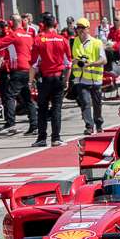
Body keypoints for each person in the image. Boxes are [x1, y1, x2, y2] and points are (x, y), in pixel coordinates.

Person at [29, 12, 71, 147]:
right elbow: (69, 64)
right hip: (58, 78)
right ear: (55, 24)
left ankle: (41, 138)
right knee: (56, 108)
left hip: (44, 80)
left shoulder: (38, 40)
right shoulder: (63, 40)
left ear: (42, 25)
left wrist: (30, 82)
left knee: (41, 109)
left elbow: (33, 65)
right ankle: (56, 138)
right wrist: (67, 80)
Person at [0, 16, 38, 136]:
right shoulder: (29, 35)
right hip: (28, 69)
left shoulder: (13, 35)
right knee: (27, 98)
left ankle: (10, 122)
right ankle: (34, 125)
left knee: (9, 95)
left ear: (12, 23)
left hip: (17, 70)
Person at [71, 17, 105, 135]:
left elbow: (103, 60)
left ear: (88, 29)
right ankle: (89, 126)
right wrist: (76, 61)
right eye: (78, 28)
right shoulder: (75, 41)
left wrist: (91, 63)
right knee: (85, 103)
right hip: (81, 79)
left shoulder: (97, 42)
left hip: (95, 80)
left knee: (97, 104)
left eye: (82, 28)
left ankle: (99, 123)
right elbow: (74, 57)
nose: (80, 30)